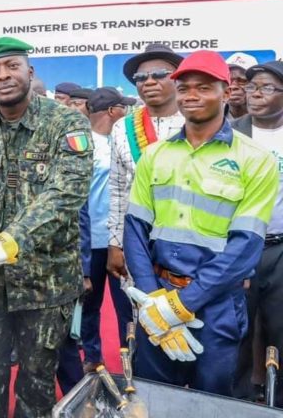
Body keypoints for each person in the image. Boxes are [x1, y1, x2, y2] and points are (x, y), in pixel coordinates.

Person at [0, 36, 93, 417]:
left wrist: (3, 244)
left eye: (11, 66)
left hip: (47, 283)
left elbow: (65, 196)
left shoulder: (67, 122)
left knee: (36, 384)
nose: (2, 76)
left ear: (30, 71)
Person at [124, 50, 278, 396]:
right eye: (185, 88)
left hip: (217, 306)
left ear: (226, 92)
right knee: (155, 398)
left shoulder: (255, 160)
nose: (191, 95)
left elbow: (245, 248)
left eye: (204, 87)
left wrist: (181, 305)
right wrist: (153, 303)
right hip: (158, 295)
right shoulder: (155, 155)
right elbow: (135, 231)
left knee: (213, 400)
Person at [107, 43, 185, 282]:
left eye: (159, 74)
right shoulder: (123, 127)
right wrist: (115, 243)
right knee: (140, 310)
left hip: (187, 241)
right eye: (140, 77)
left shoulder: (195, 123)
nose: (148, 81)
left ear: (178, 79)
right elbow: (118, 190)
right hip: (137, 239)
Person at [232, 60, 283, 404]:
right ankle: (234, 401)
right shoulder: (230, 131)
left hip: (281, 249)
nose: (255, 94)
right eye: (252, 87)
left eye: (266, 88)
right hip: (239, 247)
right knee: (237, 332)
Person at [79, 87, 136, 372]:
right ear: (113, 111)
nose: (127, 113)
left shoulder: (122, 143)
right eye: (123, 108)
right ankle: (92, 359)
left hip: (120, 240)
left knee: (127, 306)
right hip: (91, 243)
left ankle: (131, 360)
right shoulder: (80, 145)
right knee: (90, 305)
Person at [225, 52, 258, 121]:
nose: (233, 87)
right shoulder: (211, 119)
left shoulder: (272, 120)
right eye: (229, 80)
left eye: (242, 80)